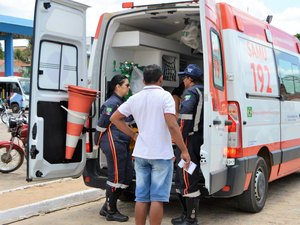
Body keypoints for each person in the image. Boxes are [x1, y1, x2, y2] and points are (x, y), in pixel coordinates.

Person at [110, 64, 191, 225]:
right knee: (157, 198)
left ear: (144, 80)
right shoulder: (166, 97)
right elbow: (172, 125)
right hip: (161, 155)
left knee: (141, 197)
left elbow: (114, 118)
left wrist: (133, 135)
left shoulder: (135, 98)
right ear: (161, 79)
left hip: (140, 154)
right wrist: (184, 150)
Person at [94, 74, 133, 222]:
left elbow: (128, 120)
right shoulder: (112, 103)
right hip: (113, 142)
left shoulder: (122, 102)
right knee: (116, 177)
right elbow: (102, 124)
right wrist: (96, 142)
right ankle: (111, 211)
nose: (128, 88)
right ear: (118, 86)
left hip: (122, 142)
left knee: (127, 176)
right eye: (126, 85)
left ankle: (107, 206)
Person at [172, 64, 204, 225]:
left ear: (190, 79)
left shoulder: (191, 92)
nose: (183, 80)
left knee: (186, 176)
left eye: (184, 77)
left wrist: (178, 139)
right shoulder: (204, 90)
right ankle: (185, 215)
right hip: (198, 139)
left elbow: (184, 120)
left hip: (188, 140)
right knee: (184, 176)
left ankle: (191, 218)